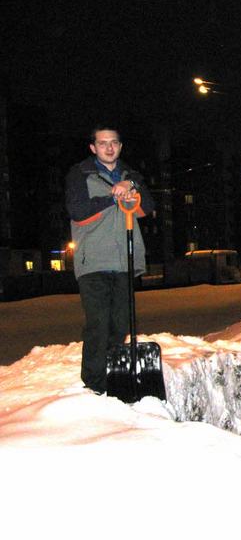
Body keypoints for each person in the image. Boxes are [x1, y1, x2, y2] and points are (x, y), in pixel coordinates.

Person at [65, 126, 155, 394]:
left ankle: (113, 372)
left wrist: (132, 186)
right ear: (93, 147)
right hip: (92, 261)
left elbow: (146, 208)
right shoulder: (80, 174)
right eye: (102, 143)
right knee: (99, 322)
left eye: (114, 142)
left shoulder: (131, 175)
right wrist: (113, 198)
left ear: (120, 146)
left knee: (121, 322)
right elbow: (78, 211)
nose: (109, 147)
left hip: (124, 260)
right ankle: (94, 382)